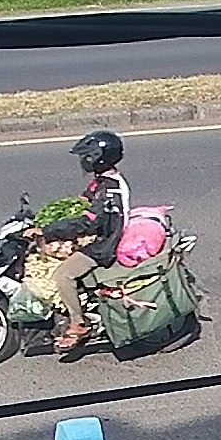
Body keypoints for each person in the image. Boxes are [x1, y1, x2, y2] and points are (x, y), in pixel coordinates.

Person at [34, 130, 131, 358]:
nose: (83, 161)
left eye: (87, 156)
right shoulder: (102, 182)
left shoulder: (109, 190)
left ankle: (78, 323)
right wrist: (50, 219)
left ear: (99, 158)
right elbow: (81, 204)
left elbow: (89, 222)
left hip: (104, 245)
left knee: (63, 275)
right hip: (101, 237)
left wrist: (48, 231)